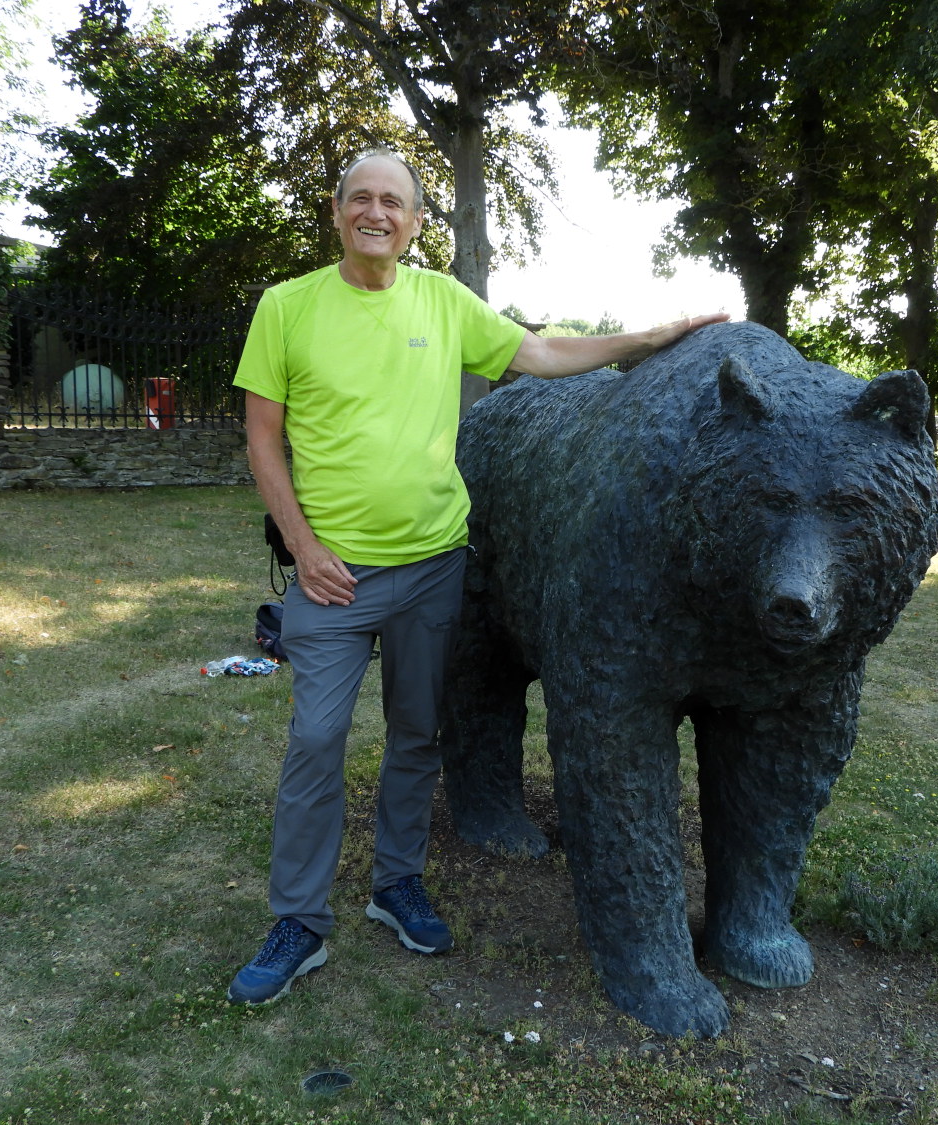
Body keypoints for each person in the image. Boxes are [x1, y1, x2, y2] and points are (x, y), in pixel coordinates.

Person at [226, 146, 727, 1005]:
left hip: (431, 565)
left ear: (417, 222)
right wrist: (303, 544)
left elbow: (538, 353)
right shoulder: (287, 307)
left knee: (419, 734)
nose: (376, 213)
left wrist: (649, 336)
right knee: (316, 743)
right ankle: (299, 921)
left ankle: (396, 884)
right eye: (361, 199)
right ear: (337, 210)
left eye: (394, 202)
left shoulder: (443, 302)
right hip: (330, 576)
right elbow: (263, 437)